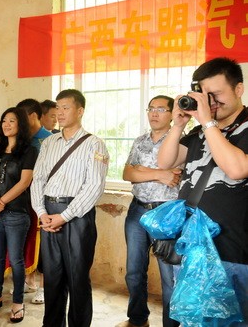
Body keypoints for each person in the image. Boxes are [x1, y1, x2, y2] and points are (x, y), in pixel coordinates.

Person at [158, 57, 248, 323]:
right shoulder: (199, 131)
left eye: (217, 95)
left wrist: (208, 123)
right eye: (205, 96)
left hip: (233, 251)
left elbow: (237, 169)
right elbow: (165, 162)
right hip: (192, 249)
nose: (211, 103)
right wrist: (177, 124)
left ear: (239, 90)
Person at [30, 89, 109, 327]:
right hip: (48, 215)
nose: (59, 112)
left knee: (77, 279)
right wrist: (41, 213)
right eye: (57, 107)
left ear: (80, 111)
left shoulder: (95, 144)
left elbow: (94, 187)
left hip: (77, 217)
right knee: (53, 278)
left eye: (66, 107)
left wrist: (64, 216)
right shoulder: (49, 143)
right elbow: (38, 179)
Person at [117, 95, 182, 327]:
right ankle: (137, 319)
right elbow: (127, 174)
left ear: (173, 113)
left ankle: (171, 325)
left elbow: (176, 177)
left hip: (167, 214)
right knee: (134, 272)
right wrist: (159, 173)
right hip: (137, 211)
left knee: (169, 277)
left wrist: (141, 169)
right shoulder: (140, 141)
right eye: (151, 108)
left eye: (161, 109)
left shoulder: (183, 141)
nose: (154, 113)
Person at [0, 107, 38, 323]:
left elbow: (25, 182)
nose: (6, 124)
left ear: (20, 125)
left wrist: (1, 202)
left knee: (16, 260)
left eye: (12, 121)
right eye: (4, 120)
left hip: (17, 214)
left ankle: (17, 302)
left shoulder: (29, 151)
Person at [16, 98, 53, 304]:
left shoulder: (50, 139)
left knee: (45, 246)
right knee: (24, 241)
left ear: (32, 116)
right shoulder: (20, 140)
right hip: (22, 200)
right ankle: (28, 280)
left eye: (21, 117)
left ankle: (43, 287)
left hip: (44, 201)